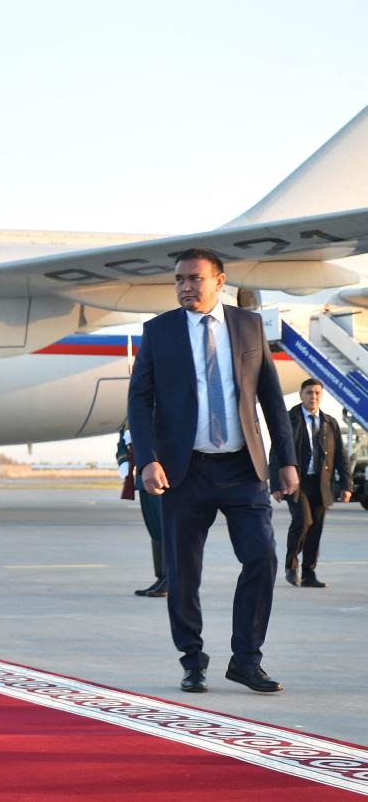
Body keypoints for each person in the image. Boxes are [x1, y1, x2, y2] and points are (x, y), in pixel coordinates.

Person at [127, 247, 298, 695]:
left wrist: (287, 461)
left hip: (243, 469)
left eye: (194, 279)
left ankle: (246, 659)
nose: (185, 286)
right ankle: (192, 659)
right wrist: (147, 459)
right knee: (183, 573)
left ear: (220, 282)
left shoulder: (248, 325)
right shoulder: (159, 331)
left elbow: (270, 398)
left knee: (261, 558)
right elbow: (139, 401)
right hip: (184, 472)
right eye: (179, 279)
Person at [269, 378, 351, 589]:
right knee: (303, 521)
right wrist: (276, 484)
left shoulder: (329, 422)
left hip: (321, 483)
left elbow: (341, 456)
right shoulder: (289, 419)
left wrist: (346, 485)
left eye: (317, 393)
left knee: (316, 529)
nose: (313, 397)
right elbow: (276, 452)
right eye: (309, 393)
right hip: (297, 483)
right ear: (301, 394)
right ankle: (291, 565)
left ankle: (309, 574)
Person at [116, 422, 166, 597]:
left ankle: (170, 579)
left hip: (161, 478)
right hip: (142, 480)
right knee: (155, 529)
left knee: (165, 529)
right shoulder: (132, 416)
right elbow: (122, 442)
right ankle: (161, 577)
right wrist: (125, 466)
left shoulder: (164, 408)